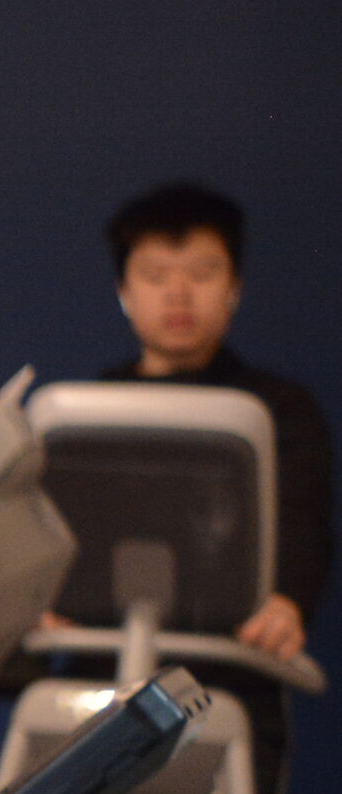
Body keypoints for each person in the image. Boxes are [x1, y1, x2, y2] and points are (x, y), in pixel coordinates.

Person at [99, 181, 323, 662]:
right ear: (124, 292)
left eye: (202, 273)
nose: (178, 294)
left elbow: (304, 528)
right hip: (97, 658)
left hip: (235, 664)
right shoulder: (89, 411)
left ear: (234, 288)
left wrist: (285, 607)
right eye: (155, 276)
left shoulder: (279, 409)